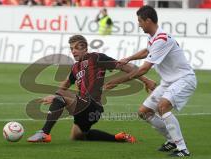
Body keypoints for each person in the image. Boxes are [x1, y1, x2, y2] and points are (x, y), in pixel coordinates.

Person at [27, 35, 156, 143]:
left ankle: (44, 133)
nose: (74, 51)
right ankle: (119, 138)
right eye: (71, 48)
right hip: (84, 108)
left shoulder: (96, 58)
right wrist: (54, 97)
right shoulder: (75, 67)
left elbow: (123, 66)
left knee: (60, 96)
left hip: (92, 105)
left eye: (77, 48)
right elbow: (66, 84)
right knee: (78, 136)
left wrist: (146, 80)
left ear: (85, 48)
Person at [105, 5, 196, 157]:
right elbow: (147, 51)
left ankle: (182, 149)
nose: (139, 25)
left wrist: (118, 81)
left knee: (163, 106)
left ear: (148, 21)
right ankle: (171, 140)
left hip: (184, 79)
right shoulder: (153, 38)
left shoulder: (161, 39)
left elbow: (143, 69)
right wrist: (128, 58)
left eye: (140, 21)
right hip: (169, 81)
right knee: (144, 112)